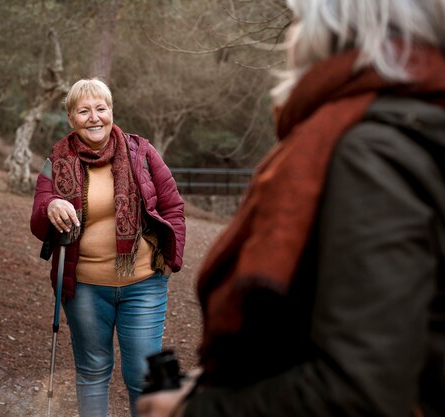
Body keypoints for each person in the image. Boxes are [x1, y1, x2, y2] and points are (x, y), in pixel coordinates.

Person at [137, 0, 445, 416]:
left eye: (299, 21)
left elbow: (363, 391)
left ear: (337, 31)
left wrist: (196, 410)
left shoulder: (371, 151)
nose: (290, 37)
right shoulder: (414, 125)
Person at [30, 78, 186, 417]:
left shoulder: (141, 152)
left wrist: (172, 258)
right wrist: (51, 206)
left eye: (101, 108)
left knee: (144, 378)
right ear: (71, 118)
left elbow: (173, 205)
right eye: (84, 111)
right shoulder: (56, 163)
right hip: (85, 287)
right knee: (92, 372)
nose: (94, 117)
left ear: (111, 111)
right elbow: (38, 220)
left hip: (143, 284)